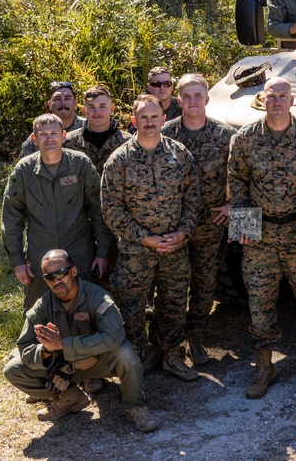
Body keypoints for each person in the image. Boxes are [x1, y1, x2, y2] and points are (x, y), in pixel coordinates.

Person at [228, 77, 296, 398]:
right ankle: (264, 364)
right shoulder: (244, 139)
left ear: (292, 100)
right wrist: (243, 227)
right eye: (271, 96)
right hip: (261, 237)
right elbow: (238, 181)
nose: (277, 102)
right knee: (259, 303)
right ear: (262, 100)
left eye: (283, 96)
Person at [101, 94, 201, 382]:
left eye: (154, 116)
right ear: (134, 121)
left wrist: (183, 232)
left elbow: (192, 200)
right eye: (143, 117)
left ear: (163, 119)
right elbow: (112, 210)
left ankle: (171, 356)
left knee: (173, 304)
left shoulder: (180, 154)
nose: (149, 122)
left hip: (174, 249)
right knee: (131, 309)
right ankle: (137, 362)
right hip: (136, 253)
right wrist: (145, 239)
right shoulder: (119, 161)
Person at [3, 250, 160, 432]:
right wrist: (47, 351)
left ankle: (135, 407)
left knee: (126, 354)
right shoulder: (43, 305)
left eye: (61, 273)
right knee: (12, 369)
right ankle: (71, 396)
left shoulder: (97, 297)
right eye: (50, 277)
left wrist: (63, 345)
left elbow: (112, 338)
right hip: (62, 365)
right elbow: (24, 346)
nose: (57, 281)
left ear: (74, 272)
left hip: (99, 361)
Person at [161, 74, 236, 367]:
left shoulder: (225, 135)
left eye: (197, 95)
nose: (192, 101)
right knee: (172, 287)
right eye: (187, 97)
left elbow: (243, 174)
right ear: (180, 101)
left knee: (205, 286)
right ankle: (170, 344)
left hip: (209, 224)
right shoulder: (166, 134)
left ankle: (196, 339)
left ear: (207, 99)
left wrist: (232, 204)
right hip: (174, 225)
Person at [3, 113, 112, 312]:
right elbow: (12, 218)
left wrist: (103, 251)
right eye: (43, 134)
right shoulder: (24, 170)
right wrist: (18, 260)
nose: (49, 138)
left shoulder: (80, 164)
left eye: (54, 133)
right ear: (35, 139)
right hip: (40, 257)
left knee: (88, 311)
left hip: (80, 254)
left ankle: (86, 343)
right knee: (39, 314)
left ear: (63, 136)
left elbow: (99, 209)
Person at [19, 81, 86, 159]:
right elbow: (24, 167)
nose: (63, 103)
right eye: (57, 99)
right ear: (50, 105)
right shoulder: (37, 137)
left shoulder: (88, 129)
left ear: (75, 103)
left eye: (67, 99)